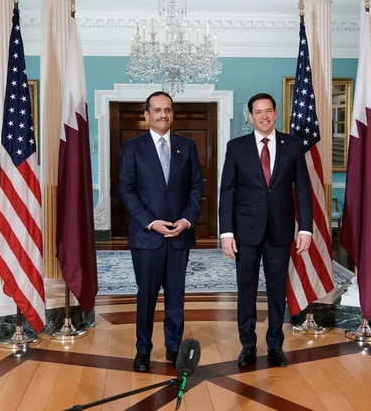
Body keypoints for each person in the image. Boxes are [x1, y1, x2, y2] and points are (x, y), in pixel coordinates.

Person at [218, 92, 313, 368]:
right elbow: (227, 191)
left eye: (268, 111)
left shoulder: (292, 145)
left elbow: (303, 189)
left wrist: (305, 228)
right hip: (245, 232)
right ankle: (247, 346)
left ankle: (275, 346)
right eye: (258, 112)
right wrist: (226, 232)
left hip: (280, 231)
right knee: (246, 289)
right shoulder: (236, 147)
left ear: (276, 113)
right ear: (250, 116)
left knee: (276, 290)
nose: (264, 116)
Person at [119, 91, 204, 372]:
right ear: (146, 114)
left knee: (176, 297)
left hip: (180, 235)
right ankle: (143, 350)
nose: (163, 115)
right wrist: (150, 222)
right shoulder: (133, 147)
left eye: (167, 110)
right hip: (147, 237)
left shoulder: (187, 146)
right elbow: (127, 191)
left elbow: (196, 187)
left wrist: (187, 220)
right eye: (157, 110)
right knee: (146, 297)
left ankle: (174, 348)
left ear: (172, 113)